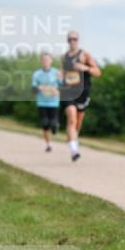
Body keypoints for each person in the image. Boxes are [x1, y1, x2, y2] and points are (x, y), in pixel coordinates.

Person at [58, 31, 101, 162]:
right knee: (71, 118)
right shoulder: (64, 57)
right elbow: (62, 72)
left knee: (77, 122)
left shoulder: (85, 55)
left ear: (78, 40)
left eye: (75, 39)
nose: (72, 41)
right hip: (68, 92)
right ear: (67, 41)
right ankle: (74, 150)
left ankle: (73, 139)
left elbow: (98, 72)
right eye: (70, 39)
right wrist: (59, 77)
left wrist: (85, 68)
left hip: (83, 93)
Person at [32, 53, 62, 152]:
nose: (45, 61)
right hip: (42, 103)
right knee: (45, 124)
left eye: (47, 59)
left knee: (53, 125)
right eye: (43, 60)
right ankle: (48, 145)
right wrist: (38, 88)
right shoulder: (37, 74)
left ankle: (55, 126)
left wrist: (59, 90)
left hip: (54, 103)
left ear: (51, 61)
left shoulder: (56, 72)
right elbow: (34, 90)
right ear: (41, 61)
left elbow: (63, 86)